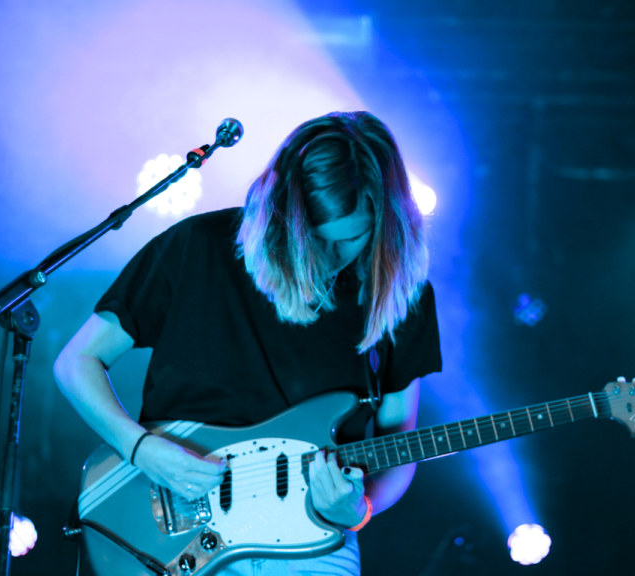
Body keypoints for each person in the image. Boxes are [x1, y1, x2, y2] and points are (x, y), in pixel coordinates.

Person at [54, 111, 442, 575]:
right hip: (171, 528)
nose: (328, 257)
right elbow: (78, 360)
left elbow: (400, 437)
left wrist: (359, 510)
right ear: (284, 215)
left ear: (386, 221)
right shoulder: (197, 245)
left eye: (349, 240)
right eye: (312, 240)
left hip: (312, 542)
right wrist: (138, 448)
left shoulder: (400, 293)